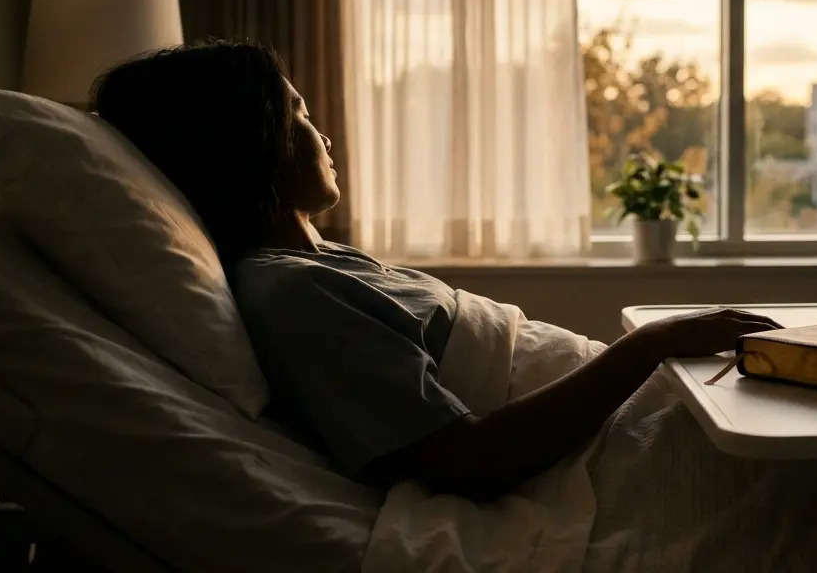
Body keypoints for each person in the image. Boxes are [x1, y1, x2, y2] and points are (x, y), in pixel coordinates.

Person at [91, 38, 781, 501]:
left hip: (624, 420)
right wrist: (652, 346)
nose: (323, 134)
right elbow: (472, 461)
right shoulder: (294, 294)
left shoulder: (317, 266)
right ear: (253, 147)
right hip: (606, 461)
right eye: (299, 115)